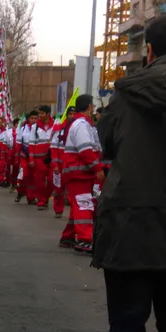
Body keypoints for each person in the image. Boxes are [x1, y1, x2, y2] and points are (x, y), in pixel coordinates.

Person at [92, 14, 166, 332]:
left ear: (149, 51)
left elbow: (106, 145)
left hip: (131, 223)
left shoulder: (126, 97)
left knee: (127, 322)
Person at [59, 94, 103, 254]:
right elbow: (85, 151)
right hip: (78, 173)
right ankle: (84, 240)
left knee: (79, 205)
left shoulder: (84, 124)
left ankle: (68, 237)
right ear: (89, 106)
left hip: (80, 173)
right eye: (93, 105)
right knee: (84, 205)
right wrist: (97, 169)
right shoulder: (81, 125)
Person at [50, 106, 76, 218]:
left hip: (72, 164)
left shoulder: (78, 128)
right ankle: (58, 210)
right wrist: (55, 164)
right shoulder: (59, 129)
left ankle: (74, 212)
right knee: (59, 188)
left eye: (74, 114)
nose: (72, 116)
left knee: (73, 189)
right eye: (70, 114)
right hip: (60, 165)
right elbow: (54, 148)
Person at [29, 104, 54, 210]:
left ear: (48, 114)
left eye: (42, 113)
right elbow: (31, 144)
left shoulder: (56, 125)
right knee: (39, 181)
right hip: (39, 159)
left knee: (52, 180)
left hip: (52, 158)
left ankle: (46, 197)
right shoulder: (35, 127)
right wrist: (31, 159)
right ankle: (41, 200)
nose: (40, 115)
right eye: (39, 113)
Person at [14, 110, 38, 204]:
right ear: (28, 119)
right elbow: (19, 144)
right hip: (24, 156)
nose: (34, 120)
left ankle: (31, 197)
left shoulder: (38, 129)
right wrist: (17, 157)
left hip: (35, 157)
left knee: (33, 177)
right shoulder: (23, 128)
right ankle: (20, 192)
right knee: (24, 176)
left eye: (36, 118)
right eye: (32, 118)